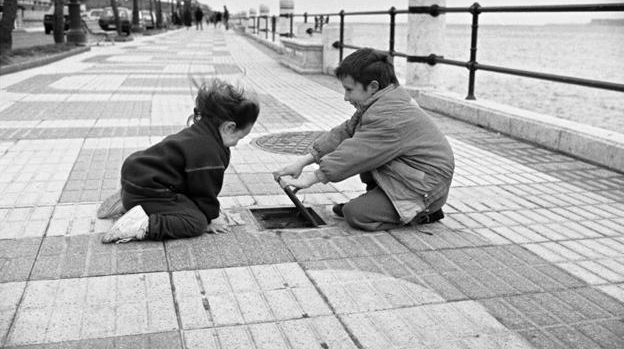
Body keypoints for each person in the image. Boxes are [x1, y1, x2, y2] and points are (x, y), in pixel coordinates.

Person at [275, 48, 454, 231]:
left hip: (426, 187)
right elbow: (345, 132)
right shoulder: (384, 100)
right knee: (366, 170)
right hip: (410, 175)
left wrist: (312, 178)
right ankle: (378, 204)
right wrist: (303, 161)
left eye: (349, 89)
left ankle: (423, 213)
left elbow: (355, 153)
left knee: (355, 215)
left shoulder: (390, 115)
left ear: (373, 87)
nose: (345, 97)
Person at [97, 79, 260, 243]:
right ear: (229, 127)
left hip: (141, 179)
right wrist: (211, 218)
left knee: (191, 205)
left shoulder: (199, 133)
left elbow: (195, 188)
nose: (237, 142)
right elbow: (204, 192)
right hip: (152, 190)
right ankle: (141, 223)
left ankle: (130, 200)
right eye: (240, 137)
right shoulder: (208, 152)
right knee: (196, 222)